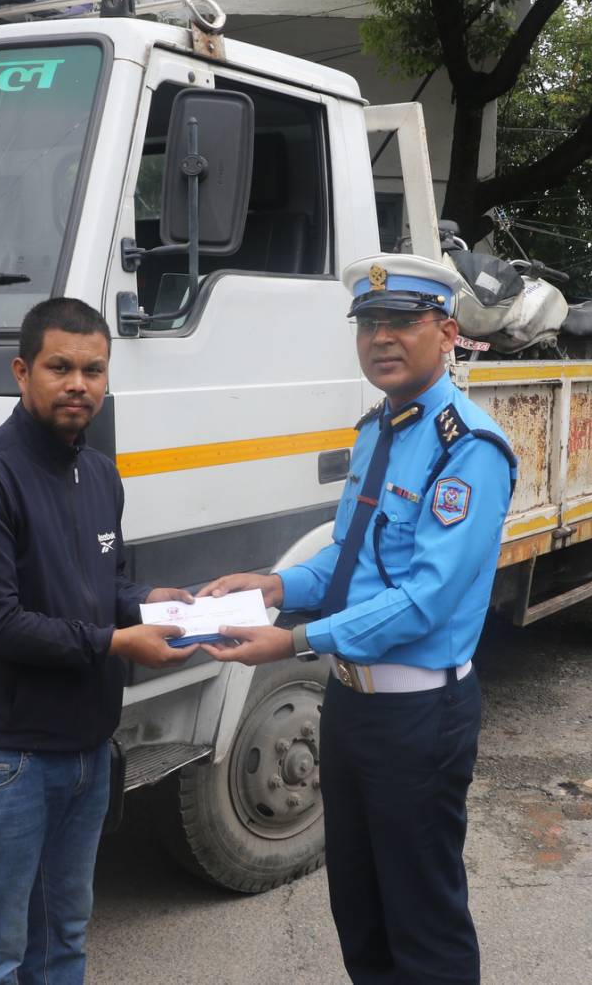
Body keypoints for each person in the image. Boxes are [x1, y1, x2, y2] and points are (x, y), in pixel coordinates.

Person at [197, 253, 517, 985]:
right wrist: (274, 584)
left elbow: (422, 600)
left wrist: (295, 639)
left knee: (423, 919)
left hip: (419, 714)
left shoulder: (467, 448)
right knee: (360, 907)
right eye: (369, 323)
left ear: (446, 332)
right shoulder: (380, 430)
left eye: (401, 321)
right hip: (351, 703)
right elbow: (348, 561)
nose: (381, 337)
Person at [0, 297, 199, 984]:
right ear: (23, 372)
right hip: (3, 763)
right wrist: (118, 641)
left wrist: (147, 601)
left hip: (85, 757)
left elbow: (106, 585)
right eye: (60, 367)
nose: (79, 383)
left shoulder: (100, 475)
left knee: (65, 940)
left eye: (94, 370)